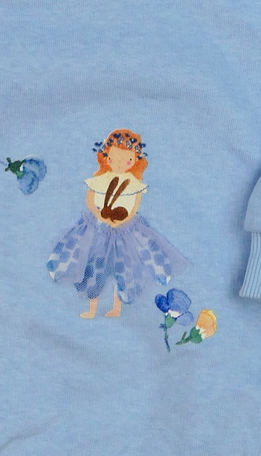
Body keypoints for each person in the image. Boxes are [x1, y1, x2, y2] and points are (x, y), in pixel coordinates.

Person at [47, 129, 190, 318]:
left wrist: (121, 221)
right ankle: (92, 308)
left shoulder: (134, 185)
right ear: (106, 158)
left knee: (122, 270)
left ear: (135, 161)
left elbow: (133, 207)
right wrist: (101, 216)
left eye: (128, 160)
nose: (121, 164)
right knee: (93, 268)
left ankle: (116, 308)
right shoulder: (99, 180)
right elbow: (90, 200)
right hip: (98, 229)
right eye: (115, 158)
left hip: (124, 232)